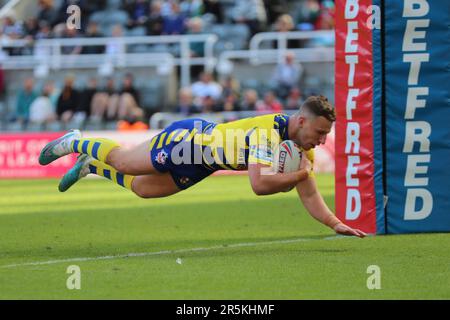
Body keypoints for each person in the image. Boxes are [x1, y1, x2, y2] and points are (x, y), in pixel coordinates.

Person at [39, 95, 366, 238]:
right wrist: (299, 175)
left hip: (204, 163)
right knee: (126, 161)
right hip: (191, 141)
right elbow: (260, 185)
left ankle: (91, 167)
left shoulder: (301, 150)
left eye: (326, 135)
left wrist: (334, 222)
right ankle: (75, 140)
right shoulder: (268, 134)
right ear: (301, 120)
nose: (322, 141)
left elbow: (308, 194)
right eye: (320, 132)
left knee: (143, 189)